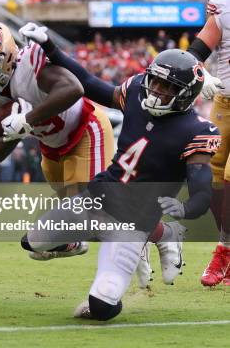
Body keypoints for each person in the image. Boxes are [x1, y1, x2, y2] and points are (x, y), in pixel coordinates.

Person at [20, 23, 220, 321]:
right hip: (97, 198)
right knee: (32, 241)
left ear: (186, 94)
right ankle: (158, 235)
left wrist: (185, 207)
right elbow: (88, 81)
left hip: (133, 223)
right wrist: (50, 45)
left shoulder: (197, 131)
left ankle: (164, 234)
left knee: (102, 308)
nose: (156, 90)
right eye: (156, 82)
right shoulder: (138, 91)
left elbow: (202, 191)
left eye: (168, 88)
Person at [0, 20, 114, 198]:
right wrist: (13, 136)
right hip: (51, 147)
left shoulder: (29, 65)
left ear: (6, 58)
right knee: (70, 214)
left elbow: (74, 88)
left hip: (86, 129)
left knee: (89, 210)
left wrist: (26, 120)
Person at [187, 0, 230, 287]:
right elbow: (195, 53)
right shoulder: (225, 6)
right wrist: (199, 73)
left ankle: (223, 252)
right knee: (210, 171)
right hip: (225, 102)